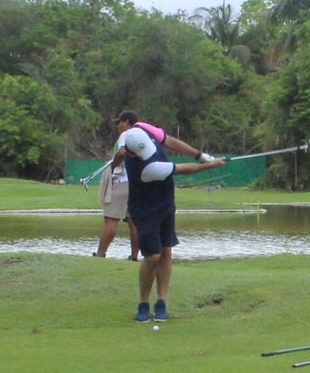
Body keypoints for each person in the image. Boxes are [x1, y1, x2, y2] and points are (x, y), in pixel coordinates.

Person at [109, 109, 226, 322]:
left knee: (166, 251)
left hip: (165, 204)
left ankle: (161, 301)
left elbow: (170, 141)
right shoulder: (146, 167)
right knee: (152, 256)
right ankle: (143, 303)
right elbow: (183, 169)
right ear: (134, 152)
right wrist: (211, 165)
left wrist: (199, 154)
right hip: (145, 210)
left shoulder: (142, 128)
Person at [94, 157, 139, 260]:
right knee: (134, 222)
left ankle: (100, 255)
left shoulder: (125, 140)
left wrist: (113, 164)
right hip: (137, 184)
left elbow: (122, 152)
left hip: (121, 182)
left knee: (111, 220)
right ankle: (134, 257)